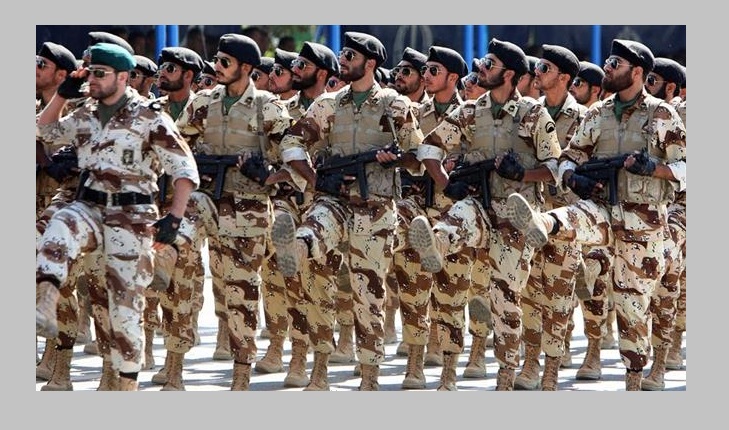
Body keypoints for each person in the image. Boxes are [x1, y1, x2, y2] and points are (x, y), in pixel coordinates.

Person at [505, 39, 686, 390]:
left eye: (616, 63)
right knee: (573, 216)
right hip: (602, 208)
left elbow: (686, 166)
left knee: (632, 307)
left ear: (637, 72)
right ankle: (541, 222)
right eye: (608, 61)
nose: (607, 67)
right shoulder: (598, 113)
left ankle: (635, 379)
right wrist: (573, 176)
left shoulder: (662, 115)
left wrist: (654, 168)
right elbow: (570, 156)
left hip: (644, 221)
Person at [36, 42, 200, 391]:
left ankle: (126, 387)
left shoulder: (150, 117)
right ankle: (45, 303)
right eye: (90, 73)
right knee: (59, 224)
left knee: (125, 314)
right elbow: (44, 130)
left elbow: (184, 169)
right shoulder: (86, 112)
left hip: (131, 217)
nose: (92, 80)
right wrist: (63, 94)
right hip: (90, 208)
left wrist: (173, 219)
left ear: (122, 77)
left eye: (100, 74)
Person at [407, 38, 562, 390]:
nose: (481, 69)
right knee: (456, 215)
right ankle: (437, 244)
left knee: (505, 297)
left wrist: (523, 174)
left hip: (516, 215)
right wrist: (446, 184)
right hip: (478, 203)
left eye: (489, 65)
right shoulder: (470, 111)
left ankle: (506, 376)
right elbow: (429, 148)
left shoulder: (533, 114)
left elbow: (555, 167)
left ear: (509, 74)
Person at [273, 31, 423, 390]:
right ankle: (298, 248)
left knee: (368, 295)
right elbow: (292, 142)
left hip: (376, 209)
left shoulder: (394, 105)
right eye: (341, 54)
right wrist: (315, 179)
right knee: (313, 240)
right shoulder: (328, 105)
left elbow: (418, 158)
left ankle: (369, 378)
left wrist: (395, 160)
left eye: (350, 56)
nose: (342, 60)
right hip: (334, 200)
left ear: (369, 64)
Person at [186, 33, 293, 390]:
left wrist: (269, 175)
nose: (217, 67)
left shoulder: (267, 107)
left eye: (225, 62)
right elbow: (177, 145)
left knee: (241, 293)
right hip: (209, 201)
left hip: (250, 212)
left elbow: (294, 156)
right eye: (216, 60)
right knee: (181, 230)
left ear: (246, 68)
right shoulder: (204, 103)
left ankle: (242, 372)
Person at [395, 45, 468, 390]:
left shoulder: (470, 115)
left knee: (451, 293)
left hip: (453, 213)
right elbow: (409, 158)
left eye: (433, 71)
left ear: (452, 77)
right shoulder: (414, 112)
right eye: (425, 70)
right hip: (416, 210)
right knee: (412, 289)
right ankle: (415, 363)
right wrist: (401, 159)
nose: (426, 75)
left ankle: (449, 371)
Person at [143, 46, 216, 391]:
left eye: (170, 69)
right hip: (151, 205)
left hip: (188, 210)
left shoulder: (205, 110)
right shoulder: (150, 111)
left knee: (182, 290)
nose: (162, 74)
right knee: (147, 285)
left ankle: (175, 368)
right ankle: (145, 349)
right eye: (161, 68)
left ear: (188, 75)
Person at [513, 44, 585, 390]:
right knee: (529, 293)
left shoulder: (584, 118)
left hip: (565, 220)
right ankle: (530, 362)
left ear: (564, 78)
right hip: (531, 214)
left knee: (558, 296)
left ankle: (552, 367)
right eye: (537, 67)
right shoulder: (528, 113)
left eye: (545, 68)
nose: (537, 73)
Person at [641, 57, 686, 390]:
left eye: (653, 81)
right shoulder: (643, 114)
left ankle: (667, 349)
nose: (647, 86)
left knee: (671, 270)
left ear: (671, 87)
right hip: (653, 204)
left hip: (683, 206)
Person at [386, 45, 429, 355]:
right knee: (397, 269)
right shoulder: (389, 109)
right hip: (399, 199)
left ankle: (436, 339)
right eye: (397, 71)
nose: (398, 76)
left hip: (433, 201)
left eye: (406, 72)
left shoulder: (436, 110)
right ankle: (395, 325)